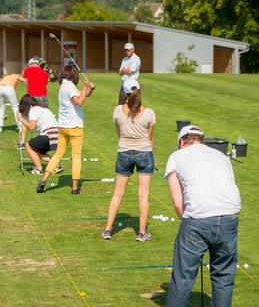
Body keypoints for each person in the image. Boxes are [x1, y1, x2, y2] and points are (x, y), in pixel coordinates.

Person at [153, 125, 241, 307]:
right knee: (223, 279)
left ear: (182, 142)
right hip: (230, 216)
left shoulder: (177, 156)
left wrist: (189, 225)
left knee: (183, 278)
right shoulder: (221, 156)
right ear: (201, 140)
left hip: (198, 219)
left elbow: (178, 203)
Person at [102, 79, 155, 242]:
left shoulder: (117, 111)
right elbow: (149, 137)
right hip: (144, 153)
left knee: (117, 194)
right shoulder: (149, 113)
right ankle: (141, 233)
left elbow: (119, 133)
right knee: (143, 195)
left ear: (124, 94)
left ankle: (107, 230)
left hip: (124, 152)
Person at [36, 65, 94, 195]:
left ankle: (44, 180)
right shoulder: (69, 86)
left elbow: (83, 94)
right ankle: (74, 188)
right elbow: (79, 101)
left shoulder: (64, 85)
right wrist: (85, 88)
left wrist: (90, 88)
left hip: (63, 127)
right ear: (73, 75)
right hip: (75, 127)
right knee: (76, 157)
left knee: (58, 154)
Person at [15, 94, 62, 175]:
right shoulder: (43, 108)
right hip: (58, 135)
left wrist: (20, 118)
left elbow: (31, 127)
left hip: (49, 134)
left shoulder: (33, 110)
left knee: (28, 146)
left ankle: (39, 169)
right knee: (37, 151)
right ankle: (56, 166)